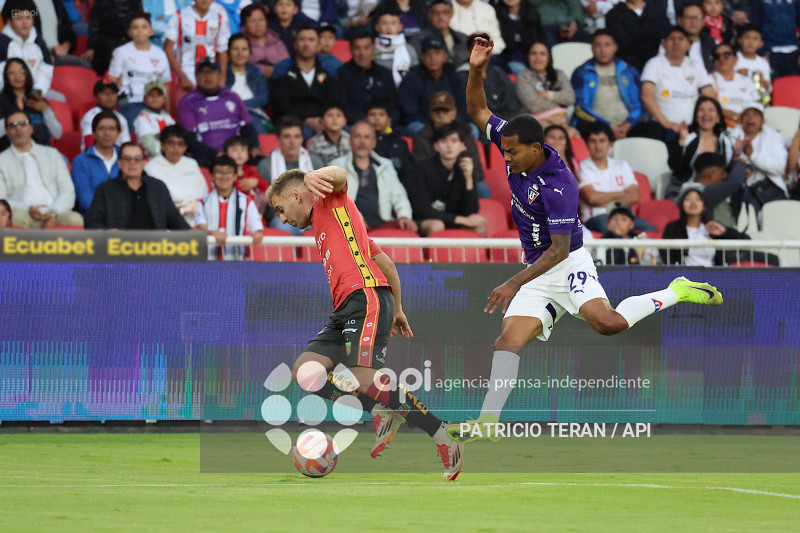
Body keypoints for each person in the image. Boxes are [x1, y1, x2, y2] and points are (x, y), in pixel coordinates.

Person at [447, 36, 723, 443]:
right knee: (506, 342)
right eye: (503, 150)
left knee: (607, 324)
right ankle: (488, 422)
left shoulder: (560, 185)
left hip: (567, 260)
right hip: (535, 270)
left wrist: (511, 282)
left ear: (536, 149)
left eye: (511, 153)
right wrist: (476, 69)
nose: (504, 158)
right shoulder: (515, 139)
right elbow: (477, 109)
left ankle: (676, 291)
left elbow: (559, 250)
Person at [266, 165, 463, 480]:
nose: (282, 218)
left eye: (280, 209)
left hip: (365, 296)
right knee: (306, 372)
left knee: (361, 375)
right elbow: (385, 261)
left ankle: (440, 432)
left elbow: (341, 175)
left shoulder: (328, 200)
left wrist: (311, 176)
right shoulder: (337, 225)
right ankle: (379, 409)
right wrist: (397, 307)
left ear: (295, 194)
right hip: (347, 307)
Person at [329, 121, 417, 233]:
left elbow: (399, 195)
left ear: (374, 143)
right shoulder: (336, 166)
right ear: (350, 141)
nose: (362, 141)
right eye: (357, 136)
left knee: (408, 229)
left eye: (367, 137)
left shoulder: (385, 165)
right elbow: (335, 201)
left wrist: (404, 216)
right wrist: (356, 220)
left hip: (383, 224)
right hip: (349, 226)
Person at [0, 110, 82, 228]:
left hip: (55, 212)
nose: (18, 128)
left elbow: (67, 190)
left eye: (23, 124)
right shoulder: (2, 160)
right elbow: (2, 200)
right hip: (24, 213)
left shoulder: (51, 154)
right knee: (17, 217)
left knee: (75, 219)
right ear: (7, 132)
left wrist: (53, 213)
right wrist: (28, 209)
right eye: (12, 126)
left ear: (31, 128)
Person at [85, 141, 191, 230]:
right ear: (119, 163)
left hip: (155, 249)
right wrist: (106, 232)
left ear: (144, 163)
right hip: (119, 249)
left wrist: (191, 232)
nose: (132, 163)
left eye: (137, 159)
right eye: (127, 159)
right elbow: (91, 223)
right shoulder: (105, 189)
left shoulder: (158, 187)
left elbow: (173, 218)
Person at [178, 58, 260, 167]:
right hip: (207, 156)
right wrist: (215, 154)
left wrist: (254, 146)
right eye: (203, 73)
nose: (207, 77)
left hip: (236, 153)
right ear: (196, 77)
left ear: (220, 75)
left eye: (212, 72)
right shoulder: (187, 101)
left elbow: (247, 126)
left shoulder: (232, 97)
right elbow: (190, 138)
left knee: (261, 161)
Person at [640, 26, 715, 142]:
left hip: (694, 127)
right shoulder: (654, 64)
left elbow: (710, 95)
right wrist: (667, 123)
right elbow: (646, 95)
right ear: (663, 45)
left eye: (681, 39)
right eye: (672, 39)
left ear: (688, 45)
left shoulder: (696, 65)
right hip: (662, 128)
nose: (676, 43)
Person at [410, 122, 487, 236]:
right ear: (436, 146)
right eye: (444, 141)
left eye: (454, 141)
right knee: (437, 225)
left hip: (453, 219)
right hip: (425, 220)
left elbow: (471, 211)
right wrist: (461, 220)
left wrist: (469, 179)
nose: (449, 146)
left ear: (462, 146)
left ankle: (475, 255)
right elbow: (422, 209)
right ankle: (431, 254)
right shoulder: (421, 169)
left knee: (480, 222)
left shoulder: (464, 168)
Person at [577, 121, 655, 232]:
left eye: (602, 141)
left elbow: (634, 196)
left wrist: (602, 198)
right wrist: (621, 193)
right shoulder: (582, 167)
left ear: (610, 144)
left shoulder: (622, 165)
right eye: (593, 141)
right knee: (612, 228)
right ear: (587, 144)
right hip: (597, 218)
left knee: (650, 230)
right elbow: (592, 198)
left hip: (625, 217)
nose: (598, 146)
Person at [269, 26, 344, 138]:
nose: (306, 44)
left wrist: (325, 120)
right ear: (295, 45)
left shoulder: (329, 70)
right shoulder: (283, 69)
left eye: (311, 40)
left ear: (318, 46)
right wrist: (306, 120)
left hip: (325, 121)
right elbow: (281, 106)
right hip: (293, 123)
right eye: (302, 39)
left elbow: (334, 101)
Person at [257, 115, 323, 234]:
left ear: (302, 139)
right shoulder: (266, 166)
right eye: (287, 137)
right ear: (278, 139)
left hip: (314, 215)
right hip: (283, 219)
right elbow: (263, 204)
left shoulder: (315, 162)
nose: (292, 142)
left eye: (296, 136)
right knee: (283, 227)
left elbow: (323, 194)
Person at [570, 29, 641, 140]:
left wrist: (627, 125)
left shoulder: (628, 71)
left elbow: (637, 105)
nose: (603, 50)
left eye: (607, 45)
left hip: (626, 125)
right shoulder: (582, 73)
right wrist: (608, 126)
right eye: (598, 45)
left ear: (615, 47)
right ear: (592, 48)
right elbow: (581, 108)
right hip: (596, 125)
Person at [411, 90, 486, 193]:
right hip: (434, 184)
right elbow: (421, 170)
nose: (441, 116)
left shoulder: (466, 135)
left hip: (462, 181)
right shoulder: (421, 136)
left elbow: (478, 171)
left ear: (454, 113)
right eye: (437, 111)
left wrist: (460, 178)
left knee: (482, 189)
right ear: (430, 114)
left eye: (445, 111)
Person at [108, 12, 172, 130]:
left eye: (144, 27)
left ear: (151, 31)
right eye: (135, 27)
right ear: (129, 32)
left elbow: (165, 85)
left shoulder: (160, 54)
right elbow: (112, 81)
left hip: (155, 102)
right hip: (130, 102)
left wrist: (167, 110)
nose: (140, 31)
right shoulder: (121, 52)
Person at [196, 154, 264, 260]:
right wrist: (214, 234)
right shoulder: (202, 202)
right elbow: (200, 228)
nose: (223, 176)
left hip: (237, 262)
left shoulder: (247, 202)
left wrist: (256, 233)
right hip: (207, 263)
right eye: (219, 172)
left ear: (235, 176)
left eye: (228, 172)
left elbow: (256, 229)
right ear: (212, 175)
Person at [666, 95, 733, 198]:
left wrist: (736, 152)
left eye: (711, 110)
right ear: (696, 117)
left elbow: (727, 170)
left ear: (718, 117)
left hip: (713, 192)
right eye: (701, 110)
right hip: (683, 191)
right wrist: (681, 142)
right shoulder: (687, 137)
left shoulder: (725, 141)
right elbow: (673, 166)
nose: (706, 114)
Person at [398, 34, 467, 133]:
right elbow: (409, 111)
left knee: (472, 130)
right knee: (416, 128)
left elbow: (463, 105)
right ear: (422, 57)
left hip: (451, 122)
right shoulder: (411, 77)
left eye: (437, 53)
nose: (432, 58)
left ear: (445, 55)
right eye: (428, 54)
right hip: (423, 124)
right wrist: (433, 125)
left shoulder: (453, 76)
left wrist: (452, 121)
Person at [661, 186, 748, 265]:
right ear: (682, 205)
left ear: (704, 206)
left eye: (698, 199)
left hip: (712, 277)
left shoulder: (712, 228)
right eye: (688, 199)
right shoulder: (673, 228)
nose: (693, 203)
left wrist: (724, 232)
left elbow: (746, 242)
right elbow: (665, 254)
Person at [144, 124, 210, 226]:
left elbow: (202, 194)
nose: (176, 148)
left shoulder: (191, 163)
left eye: (180, 144)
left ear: (185, 147)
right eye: (171, 143)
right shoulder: (151, 167)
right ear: (162, 145)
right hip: (164, 221)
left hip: (194, 219)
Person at [164, 0, 231, 92]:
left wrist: (222, 78)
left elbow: (222, 51)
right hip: (185, 72)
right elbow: (168, 49)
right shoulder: (179, 16)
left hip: (210, 73)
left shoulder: (219, 18)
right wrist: (182, 77)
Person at [730, 103, 789, 206]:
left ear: (762, 120)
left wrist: (752, 156)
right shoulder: (731, 136)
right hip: (741, 189)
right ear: (741, 119)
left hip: (769, 188)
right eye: (746, 115)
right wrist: (735, 153)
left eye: (755, 115)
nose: (750, 118)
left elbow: (780, 167)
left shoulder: (774, 137)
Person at [336, 29, 398, 124]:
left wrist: (388, 121)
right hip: (354, 126)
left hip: (385, 127)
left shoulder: (385, 74)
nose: (362, 53)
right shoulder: (342, 73)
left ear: (374, 49)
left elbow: (394, 106)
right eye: (357, 48)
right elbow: (342, 107)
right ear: (351, 50)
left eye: (367, 48)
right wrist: (363, 123)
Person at [455, 32, 519, 121]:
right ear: (468, 52)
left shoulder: (499, 74)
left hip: (504, 124)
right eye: (476, 48)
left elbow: (512, 106)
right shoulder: (461, 77)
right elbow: (468, 111)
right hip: (478, 125)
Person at [0, 58, 62, 149]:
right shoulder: (2, 100)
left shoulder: (36, 96)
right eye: (12, 73)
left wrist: (46, 110)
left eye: (21, 71)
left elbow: (58, 134)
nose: (18, 76)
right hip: (14, 153)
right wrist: (16, 110)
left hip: (43, 151)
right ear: (6, 76)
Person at [0, 1, 55, 98]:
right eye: (19, 18)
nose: (24, 22)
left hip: (33, 94)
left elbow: (45, 71)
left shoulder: (39, 43)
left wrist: (37, 92)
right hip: (6, 95)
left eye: (28, 17)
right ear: (9, 21)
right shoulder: (2, 43)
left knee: (59, 99)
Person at [71, 110, 122, 214]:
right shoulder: (81, 161)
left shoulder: (127, 157)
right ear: (93, 133)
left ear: (118, 133)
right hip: (95, 220)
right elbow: (85, 200)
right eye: (101, 129)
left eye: (112, 129)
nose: (107, 133)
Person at [515, 41, 575, 122]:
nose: (538, 58)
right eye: (533, 53)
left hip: (559, 119)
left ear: (549, 57)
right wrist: (558, 109)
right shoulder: (523, 77)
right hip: (531, 121)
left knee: (573, 132)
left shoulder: (559, 75)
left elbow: (570, 98)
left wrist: (548, 95)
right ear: (528, 57)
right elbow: (533, 105)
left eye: (542, 54)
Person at [364, 98, 416, 191]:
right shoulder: (360, 145)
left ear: (389, 120)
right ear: (365, 119)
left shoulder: (400, 144)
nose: (377, 118)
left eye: (381, 114)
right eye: (372, 114)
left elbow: (409, 174)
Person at [81, 0, 144, 75]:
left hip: (129, 42)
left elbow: (140, 21)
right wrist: (91, 47)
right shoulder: (101, 2)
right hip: (106, 44)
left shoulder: (135, 2)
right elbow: (94, 25)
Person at [605, 0, 670, 73]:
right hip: (625, 68)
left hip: (656, 67)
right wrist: (649, 36)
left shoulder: (657, 12)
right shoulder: (613, 15)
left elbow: (666, 36)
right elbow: (623, 43)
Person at [225, 32, 270, 134]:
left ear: (250, 53)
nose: (240, 53)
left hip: (252, 113)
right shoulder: (222, 73)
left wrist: (242, 106)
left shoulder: (256, 72)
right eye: (235, 49)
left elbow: (264, 96)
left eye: (244, 49)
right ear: (228, 53)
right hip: (228, 115)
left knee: (251, 120)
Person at [408, 0, 470, 69]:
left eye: (445, 12)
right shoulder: (418, 39)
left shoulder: (464, 38)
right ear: (429, 15)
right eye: (436, 13)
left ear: (452, 13)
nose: (441, 16)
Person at [709, 42, 758, 127]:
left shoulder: (747, 80)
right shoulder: (708, 80)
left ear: (735, 59)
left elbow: (757, 104)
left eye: (726, 55)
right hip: (721, 125)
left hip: (748, 125)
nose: (721, 59)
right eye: (717, 56)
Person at [750, 0, 800, 79]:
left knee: (791, 87)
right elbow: (755, 25)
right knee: (772, 86)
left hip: (792, 52)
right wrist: (761, 52)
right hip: (769, 52)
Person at [372, 5, 419, 88]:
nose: (389, 27)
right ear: (377, 27)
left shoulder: (409, 49)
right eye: (384, 23)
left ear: (400, 27)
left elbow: (416, 74)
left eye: (393, 23)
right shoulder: (372, 48)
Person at [79, 79, 132, 151]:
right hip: (93, 157)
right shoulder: (90, 116)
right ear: (96, 97)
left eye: (113, 93)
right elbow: (89, 144)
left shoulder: (121, 118)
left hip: (118, 157)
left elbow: (126, 144)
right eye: (104, 93)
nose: (109, 96)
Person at [494, 0, 544, 74]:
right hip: (502, 60)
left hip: (528, 61)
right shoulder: (494, 13)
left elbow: (539, 39)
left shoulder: (531, 13)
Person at [241, 3, 289, 80]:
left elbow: (287, 63)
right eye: (252, 21)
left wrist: (275, 71)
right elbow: (239, 65)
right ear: (243, 26)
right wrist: (261, 69)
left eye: (261, 19)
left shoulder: (276, 39)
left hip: (279, 81)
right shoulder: (240, 42)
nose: (258, 24)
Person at [133, 81, 176, 158]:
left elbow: (176, 137)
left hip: (170, 157)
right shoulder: (142, 118)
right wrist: (165, 155)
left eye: (159, 95)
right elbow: (147, 142)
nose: (155, 98)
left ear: (164, 99)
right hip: (151, 159)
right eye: (151, 95)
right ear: (145, 98)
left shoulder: (167, 117)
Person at [734, 25, 770, 98]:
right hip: (737, 97)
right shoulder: (733, 58)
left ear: (761, 44)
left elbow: (766, 89)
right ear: (740, 40)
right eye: (747, 38)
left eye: (755, 39)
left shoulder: (763, 63)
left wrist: (765, 85)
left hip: (757, 99)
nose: (750, 42)